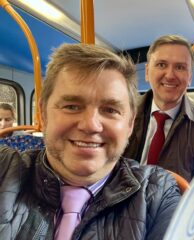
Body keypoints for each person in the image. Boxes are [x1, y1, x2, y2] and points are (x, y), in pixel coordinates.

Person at [0, 44, 180, 239]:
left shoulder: (157, 195)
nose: (91, 125)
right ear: (43, 115)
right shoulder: (5, 168)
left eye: (110, 110)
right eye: (71, 106)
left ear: (129, 123)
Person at [123, 35, 194, 181]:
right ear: (146, 72)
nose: (170, 75)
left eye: (180, 67)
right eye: (161, 65)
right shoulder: (123, 113)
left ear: (190, 78)